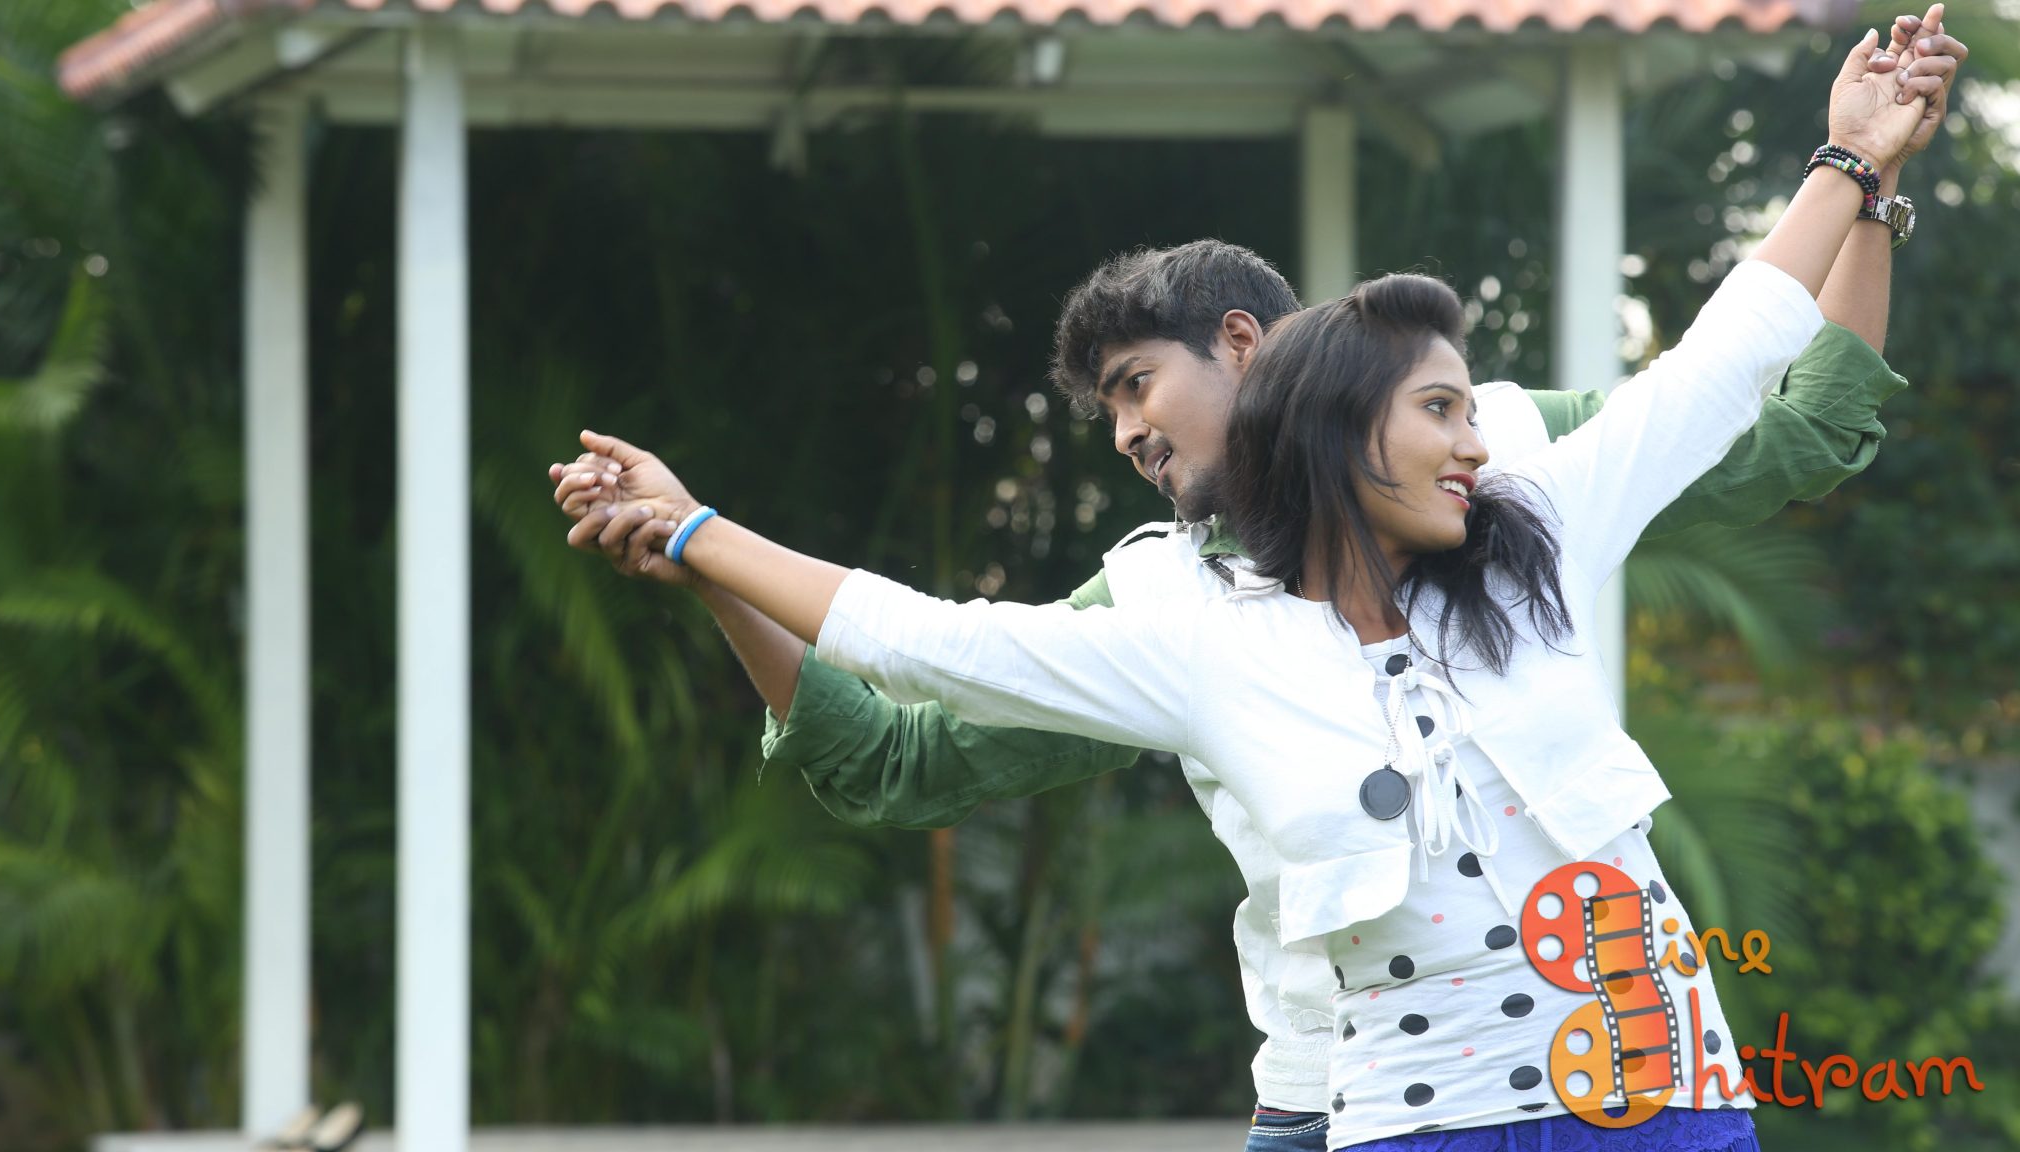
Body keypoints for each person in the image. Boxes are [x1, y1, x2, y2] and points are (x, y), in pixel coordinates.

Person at [550, 17, 1964, 1151]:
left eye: (1135, 385)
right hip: (1352, 1100)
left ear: (1245, 345)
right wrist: (697, 547)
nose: (1123, 435)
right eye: (1441, 410)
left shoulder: (1517, 476)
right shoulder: (1177, 621)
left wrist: (1865, 178)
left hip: (1649, 1086)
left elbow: (1767, 398)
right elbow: (906, 713)